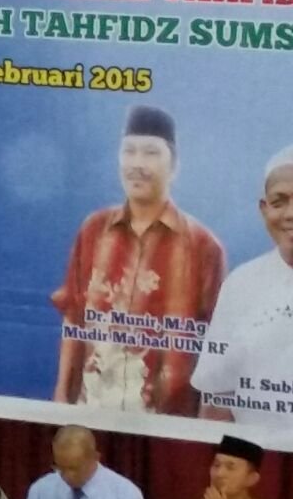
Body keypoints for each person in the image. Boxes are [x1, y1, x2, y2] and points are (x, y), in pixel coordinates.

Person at [51, 105, 225, 416]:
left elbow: (215, 346)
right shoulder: (93, 230)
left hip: (167, 422)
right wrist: (61, 395)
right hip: (90, 413)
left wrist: (204, 423)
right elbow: (73, 317)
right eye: (128, 151)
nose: (137, 164)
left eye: (150, 153)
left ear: (175, 165)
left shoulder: (203, 247)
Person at [193, 145, 293, 429]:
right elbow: (216, 394)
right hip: (258, 453)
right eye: (279, 202)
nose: (290, 214)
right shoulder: (241, 285)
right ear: (264, 210)